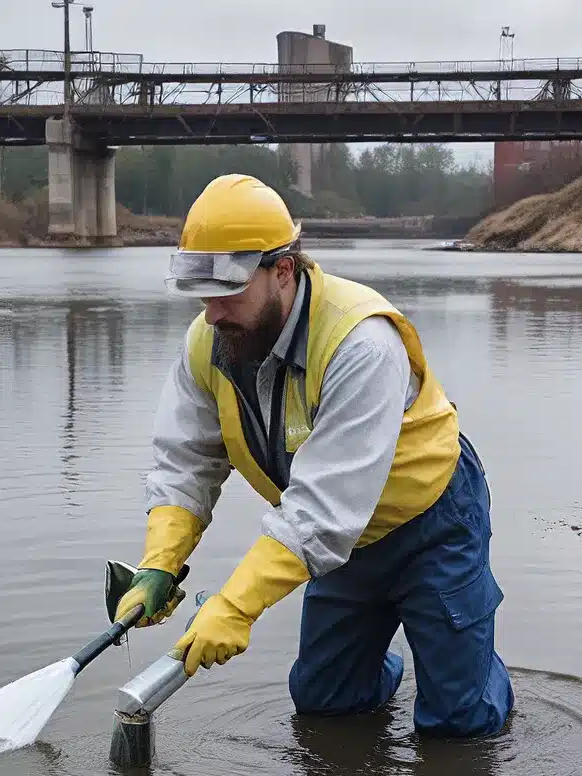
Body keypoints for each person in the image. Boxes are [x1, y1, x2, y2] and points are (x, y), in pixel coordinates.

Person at [114, 173, 512, 737]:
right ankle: (393, 666)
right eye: (202, 293)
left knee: (456, 724)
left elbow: (322, 511)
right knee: (325, 703)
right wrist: (159, 563)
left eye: (228, 290)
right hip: (338, 539)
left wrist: (235, 606)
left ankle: (473, 677)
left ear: (283, 270)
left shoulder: (362, 343)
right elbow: (186, 466)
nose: (212, 312)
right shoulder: (211, 343)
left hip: (430, 521)